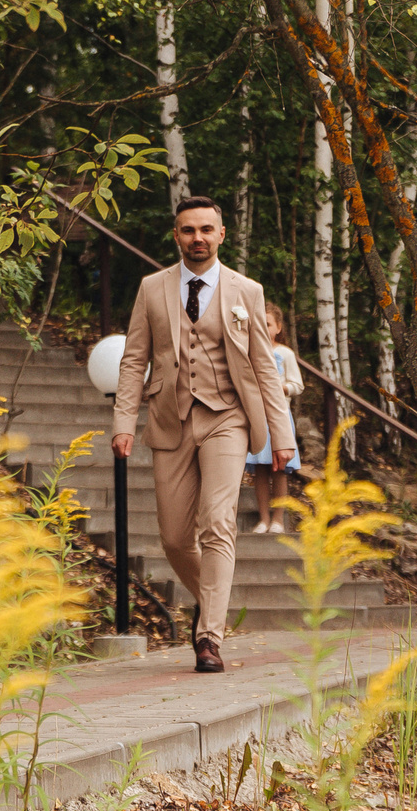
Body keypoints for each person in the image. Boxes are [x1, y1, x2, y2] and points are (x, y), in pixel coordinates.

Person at [110, 196, 297, 673]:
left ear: (221, 234)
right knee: (174, 538)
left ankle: (209, 636)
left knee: (218, 522)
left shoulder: (246, 291)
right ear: (177, 236)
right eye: (188, 230)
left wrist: (281, 436)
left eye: (206, 230)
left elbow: (262, 366)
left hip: (228, 418)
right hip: (171, 418)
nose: (197, 238)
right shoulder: (153, 288)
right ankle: (211, 602)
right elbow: (134, 359)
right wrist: (123, 422)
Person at [247, 305, 312, 535]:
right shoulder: (249, 351)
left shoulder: (284, 354)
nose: (264, 328)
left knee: (279, 469)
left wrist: (281, 388)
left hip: (280, 418)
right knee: (261, 471)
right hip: (257, 418)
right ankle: (263, 519)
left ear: (278, 328)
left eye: (268, 324)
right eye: (260, 324)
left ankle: (278, 520)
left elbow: (298, 385)